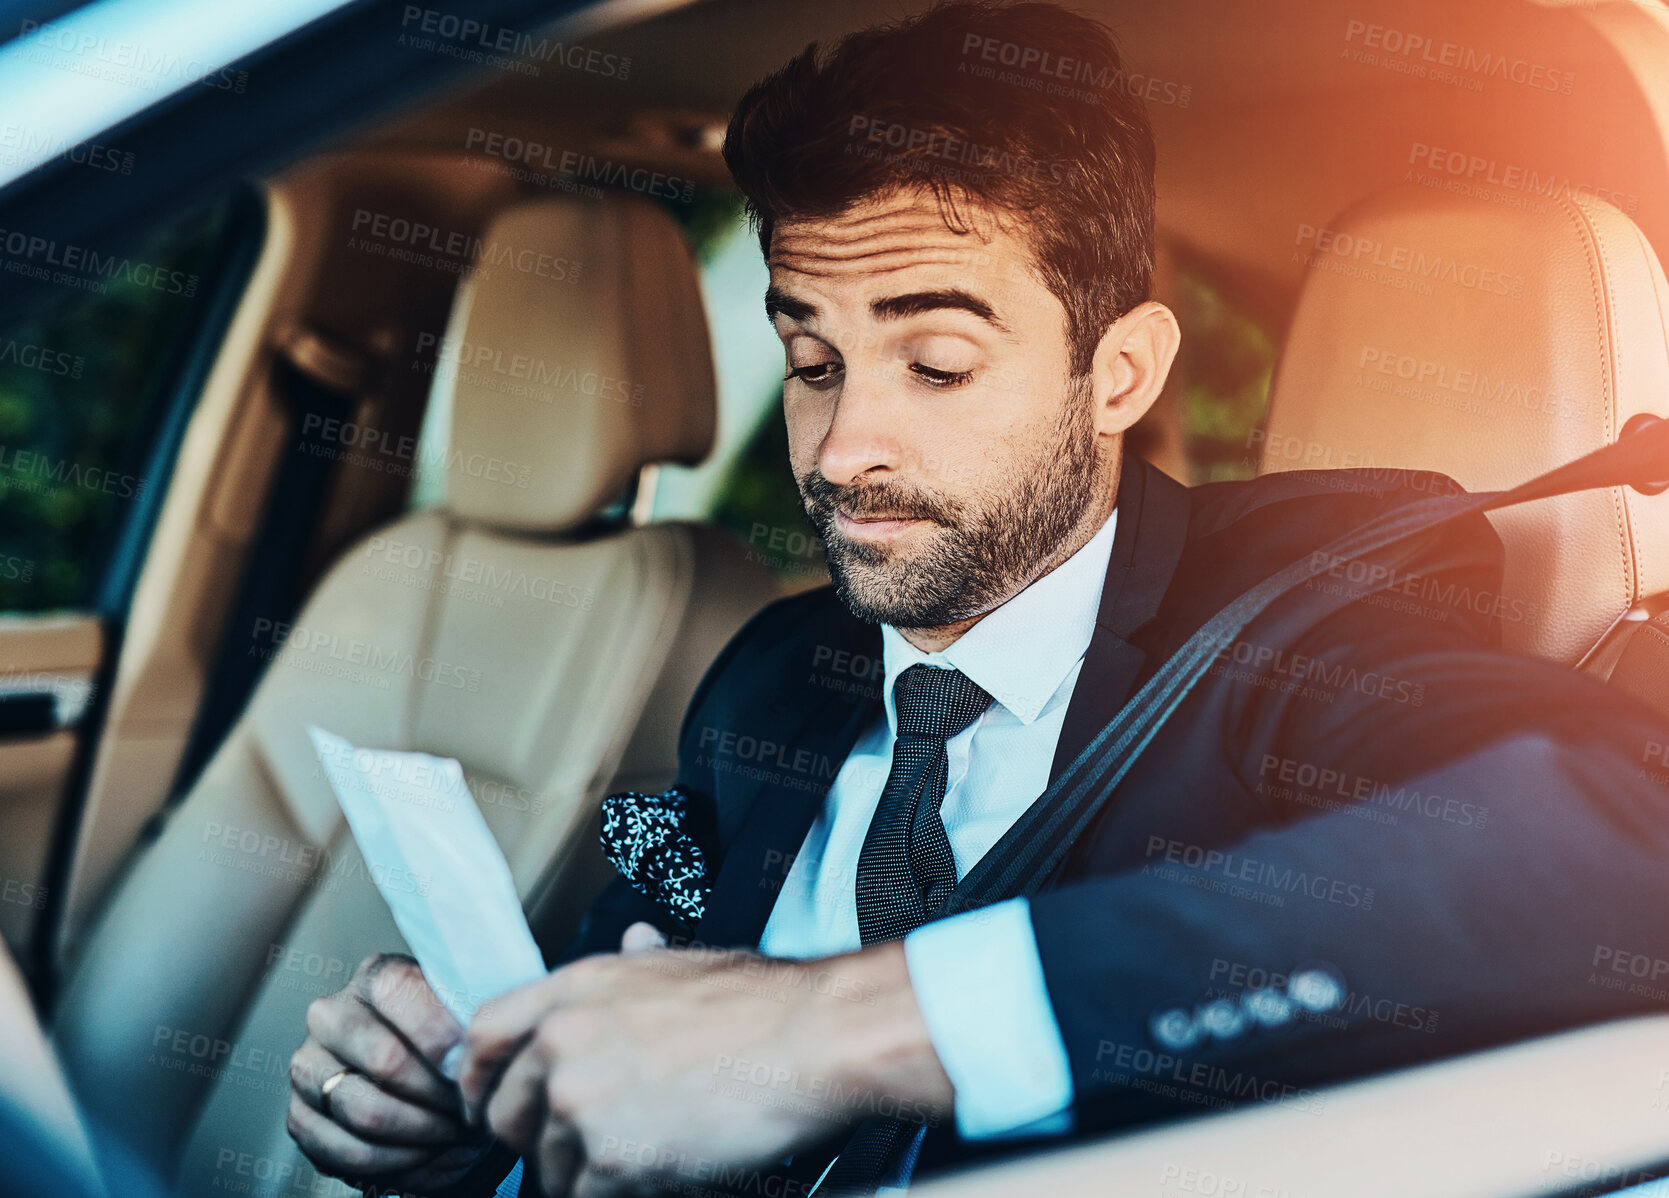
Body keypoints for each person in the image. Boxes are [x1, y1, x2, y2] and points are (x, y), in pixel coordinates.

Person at [287, 2, 1669, 1195]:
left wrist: (843, 1027)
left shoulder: (1302, 639)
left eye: (936, 364)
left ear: (1117, 375)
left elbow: (1630, 841)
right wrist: (468, 1112)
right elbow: (635, 1025)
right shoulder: (770, 674)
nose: (842, 450)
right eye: (814, 361)